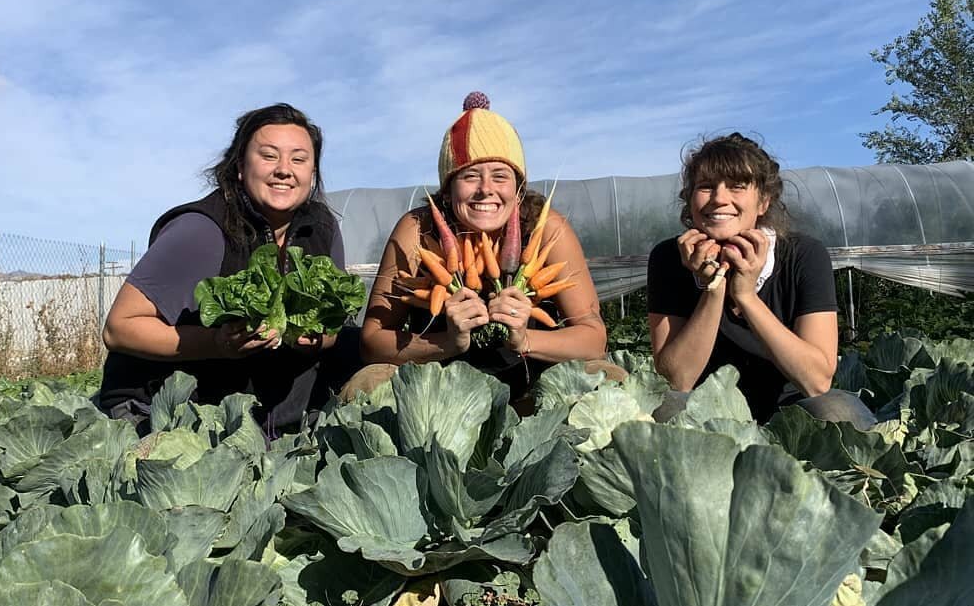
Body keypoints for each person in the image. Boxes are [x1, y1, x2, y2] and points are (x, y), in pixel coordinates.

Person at [98, 103, 346, 436]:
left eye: (299, 159)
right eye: (269, 156)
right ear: (240, 167)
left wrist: (310, 337)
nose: (284, 170)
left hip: (256, 418)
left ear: (312, 172)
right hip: (164, 411)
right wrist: (217, 342)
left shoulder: (322, 228)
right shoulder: (202, 231)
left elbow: (333, 327)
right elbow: (119, 328)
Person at [352, 92, 615, 405]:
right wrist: (449, 342)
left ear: (519, 191)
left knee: (608, 378)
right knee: (368, 382)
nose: (486, 189)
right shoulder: (418, 228)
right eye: (470, 176)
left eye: (500, 176)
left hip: (535, 387)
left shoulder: (547, 229)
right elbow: (372, 341)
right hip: (439, 391)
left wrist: (524, 338)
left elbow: (593, 338)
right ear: (447, 192)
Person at [647, 132, 876, 426]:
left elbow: (817, 381)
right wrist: (714, 288)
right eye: (705, 187)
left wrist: (746, 296)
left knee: (837, 411)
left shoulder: (803, 254)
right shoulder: (668, 258)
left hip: (793, 414)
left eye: (737, 186)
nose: (719, 198)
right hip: (707, 414)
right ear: (691, 200)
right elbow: (677, 379)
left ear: (763, 202)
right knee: (666, 409)